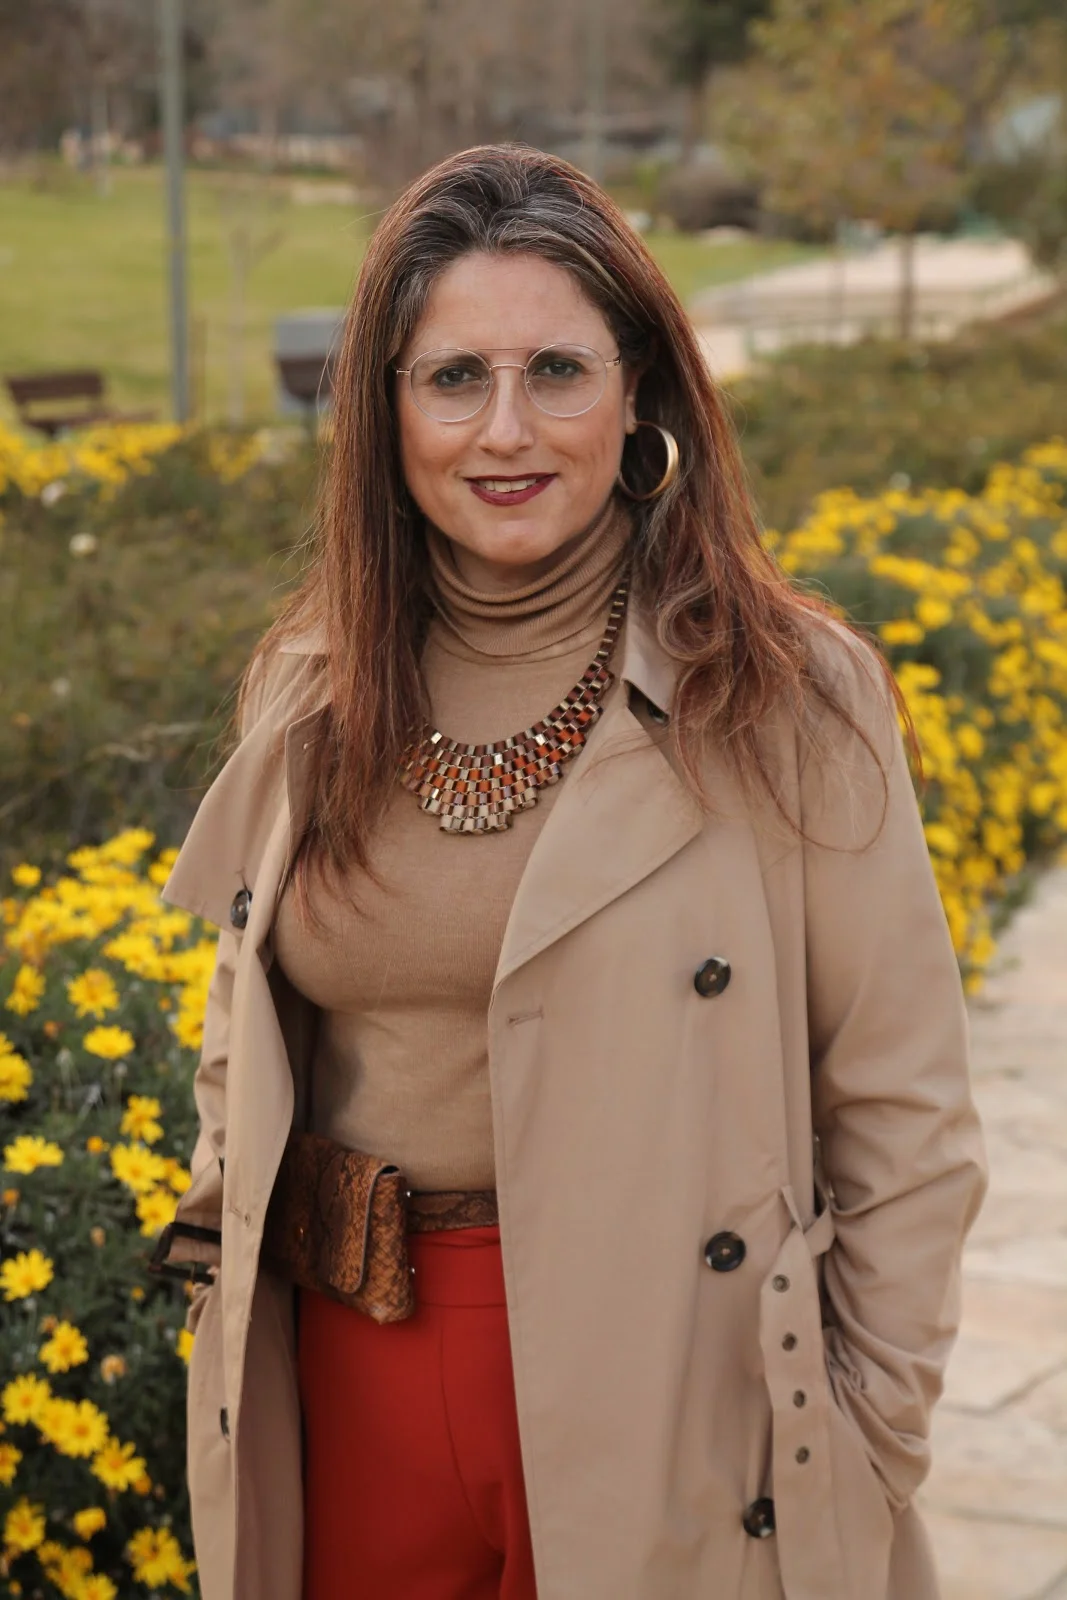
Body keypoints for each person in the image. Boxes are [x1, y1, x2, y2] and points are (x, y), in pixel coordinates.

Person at [153, 143, 987, 1600]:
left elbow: (904, 1111)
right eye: (452, 377)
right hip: (347, 1379)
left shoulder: (787, 698)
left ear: (639, 392)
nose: (506, 429)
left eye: (556, 370)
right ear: (384, 412)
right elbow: (250, 1024)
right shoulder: (309, 689)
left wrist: (866, 1438)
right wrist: (218, 1267)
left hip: (675, 1398)